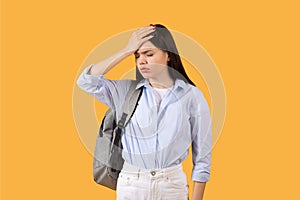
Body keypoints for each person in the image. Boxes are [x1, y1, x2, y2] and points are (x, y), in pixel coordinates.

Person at [77, 24, 212, 200]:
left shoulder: (191, 96)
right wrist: (126, 50)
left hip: (172, 186)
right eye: (137, 55)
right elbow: (86, 81)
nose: (141, 61)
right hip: (132, 184)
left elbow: (202, 157)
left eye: (149, 54)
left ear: (168, 55)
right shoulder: (125, 91)